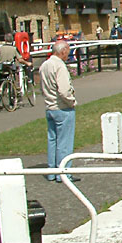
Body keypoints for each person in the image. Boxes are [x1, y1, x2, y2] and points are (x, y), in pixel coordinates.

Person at [39, 40, 78, 182]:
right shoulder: (60, 66)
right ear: (62, 52)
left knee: (52, 140)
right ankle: (64, 173)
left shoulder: (45, 65)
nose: (68, 55)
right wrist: (71, 101)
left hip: (50, 107)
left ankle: (52, 171)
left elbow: (42, 87)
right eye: (67, 52)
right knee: (64, 142)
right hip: (62, 108)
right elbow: (64, 90)